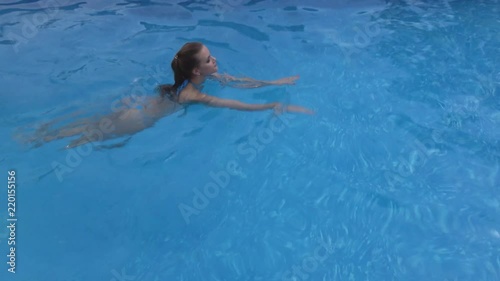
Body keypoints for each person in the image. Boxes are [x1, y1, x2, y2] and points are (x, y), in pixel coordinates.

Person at [22, 42, 313, 149]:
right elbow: (230, 103)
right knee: (81, 139)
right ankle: (36, 141)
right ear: (198, 71)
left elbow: (240, 83)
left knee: (90, 126)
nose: (216, 61)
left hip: (138, 107)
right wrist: (273, 105)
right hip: (137, 120)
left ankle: (39, 135)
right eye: (210, 60)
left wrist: (274, 82)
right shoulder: (190, 94)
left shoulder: (200, 78)